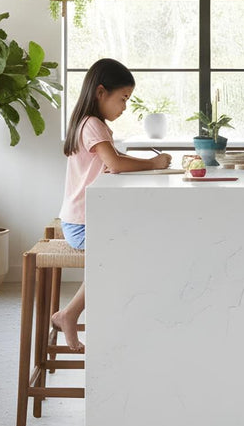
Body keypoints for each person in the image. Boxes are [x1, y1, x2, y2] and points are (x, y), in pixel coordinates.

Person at [53, 58, 171, 352]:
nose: (125, 107)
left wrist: (149, 165)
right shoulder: (92, 125)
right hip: (81, 225)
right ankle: (70, 314)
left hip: (83, 219)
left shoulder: (92, 124)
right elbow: (116, 164)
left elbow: (111, 164)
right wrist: (153, 163)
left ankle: (117, 313)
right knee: (121, 250)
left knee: (134, 241)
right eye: (123, 99)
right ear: (101, 92)